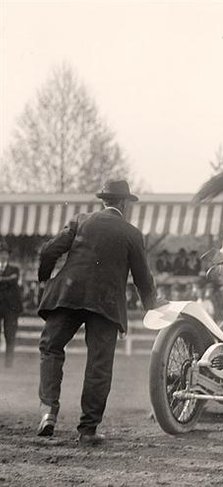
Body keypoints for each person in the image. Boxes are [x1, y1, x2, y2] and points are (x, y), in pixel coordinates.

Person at [36, 180, 161, 445]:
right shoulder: (131, 233)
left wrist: (45, 280)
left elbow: (48, 251)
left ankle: (48, 411)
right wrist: (152, 308)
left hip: (68, 294)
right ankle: (87, 429)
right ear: (125, 204)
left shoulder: (81, 220)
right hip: (105, 304)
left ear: (104, 201)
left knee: (51, 348)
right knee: (99, 366)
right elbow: (143, 279)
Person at [0, 240, 22, 368]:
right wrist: (7, 280)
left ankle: (8, 363)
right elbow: (10, 280)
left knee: (10, 335)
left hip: (10, 307)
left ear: (8, 256)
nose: (3, 256)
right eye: (1, 253)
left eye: (5, 254)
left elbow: (13, 280)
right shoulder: (12, 272)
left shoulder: (15, 269)